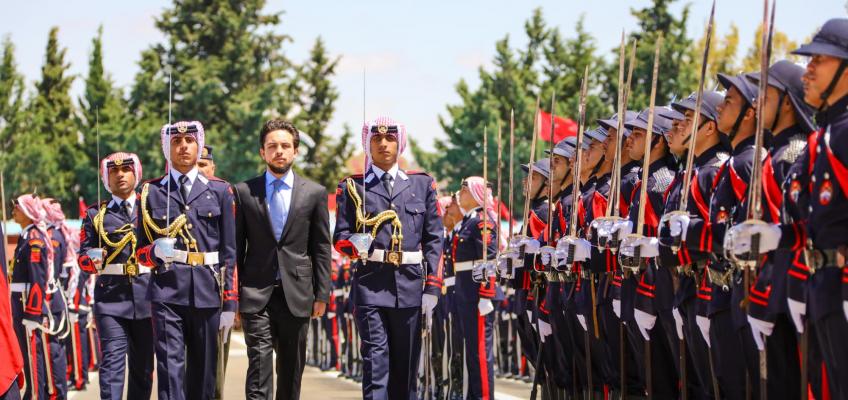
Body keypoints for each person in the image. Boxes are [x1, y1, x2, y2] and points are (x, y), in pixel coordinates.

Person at [333, 116, 443, 399]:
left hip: (410, 287)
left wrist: (432, 287)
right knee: (375, 365)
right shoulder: (353, 187)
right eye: (377, 139)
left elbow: (434, 239)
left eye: (390, 139)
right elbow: (341, 238)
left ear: (400, 143)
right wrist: (365, 241)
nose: (383, 144)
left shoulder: (422, 185)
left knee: (406, 371)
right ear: (367, 144)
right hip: (371, 286)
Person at [135, 120, 238, 400]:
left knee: (204, 373)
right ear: (167, 149)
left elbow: (230, 252)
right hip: (167, 290)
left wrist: (230, 302)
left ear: (199, 146)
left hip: (207, 291)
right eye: (176, 142)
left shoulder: (219, 191)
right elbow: (139, 251)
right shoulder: (150, 192)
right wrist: (154, 252)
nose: (183, 147)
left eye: (189, 141)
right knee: (170, 370)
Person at [233, 119, 332, 400]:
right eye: (272, 146)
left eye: (285, 146)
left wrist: (321, 293)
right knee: (259, 365)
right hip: (255, 293)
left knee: (290, 369)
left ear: (296, 151)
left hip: (298, 294)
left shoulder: (314, 193)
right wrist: (233, 295)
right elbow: (236, 247)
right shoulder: (243, 192)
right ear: (262, 152)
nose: (279, 151)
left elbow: (321, 246)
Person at [78, 152, 154, 400]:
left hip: (147, 298)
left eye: (126, 169)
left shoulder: (149, 208)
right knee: (111, 364)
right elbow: (82, 258)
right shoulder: (94, 215)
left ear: (137, 173)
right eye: (113, 171)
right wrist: (91, 260)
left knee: (143, 368)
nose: (120, 175)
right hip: (111, 299)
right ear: (105, 178)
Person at [10, 194, 53, 400]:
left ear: (27, 212)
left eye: (17, 208)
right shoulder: (25, 236)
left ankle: (36, 395)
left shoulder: (34, 239)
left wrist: (34, 313)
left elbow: (38, 279)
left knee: (32, 355)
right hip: (20, 300)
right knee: (27, 355)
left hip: (28, 303)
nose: (13, 211)